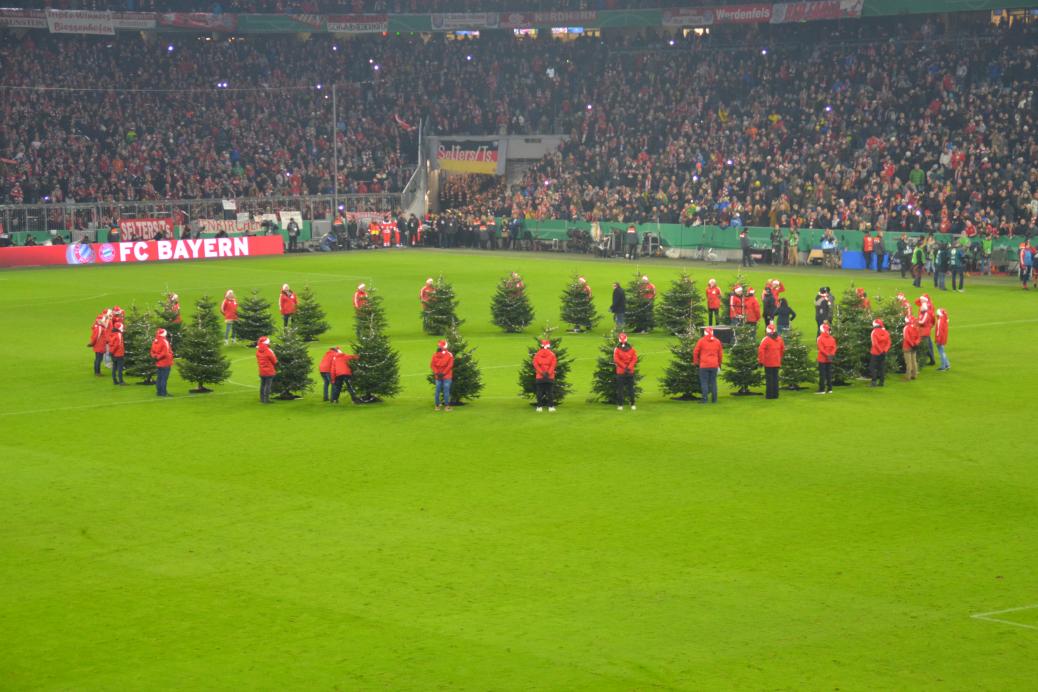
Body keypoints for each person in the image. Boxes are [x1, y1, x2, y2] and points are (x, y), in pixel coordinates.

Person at [692, 326, 723, 404]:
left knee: (704, 382)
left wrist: (696, 362)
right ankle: (714, 399)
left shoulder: (701, 341)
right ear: (712, 333)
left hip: (704, 365)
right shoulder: (717, 341)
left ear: (704, 333)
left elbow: (695, 352)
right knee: (713, 382)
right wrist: (719, 364)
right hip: (714, 365)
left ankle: (705, 399)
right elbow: (720, 355)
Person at [758, 323, 785, 400]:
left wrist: (761, 361)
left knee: (769, 379)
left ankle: (769, 395)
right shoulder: (780, 339)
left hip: (768, 362)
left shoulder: (766, 339)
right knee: (775, 378)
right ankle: (776, 394)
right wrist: (780, 358)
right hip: (777, 361)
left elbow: (761, 351)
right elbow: (782, 350)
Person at [613, 332, 638, 411]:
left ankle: (620, 405)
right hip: (630, 371)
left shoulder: (617, 349)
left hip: (621, 372)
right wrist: (629, 367)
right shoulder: (632, 349)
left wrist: (624, 367)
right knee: (631, 388)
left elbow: (616, 360)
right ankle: (633, 404)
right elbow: (634, 359)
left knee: (620, 389)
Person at [532, 339, 557, 412]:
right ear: (549, 346)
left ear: (541, 346)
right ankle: (551, 407)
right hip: (550, 376)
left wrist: (541, 373)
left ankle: (539, 407)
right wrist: (548, 373)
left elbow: (535, 364)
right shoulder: (552, 355)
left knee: (539, 392)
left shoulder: (537, 354)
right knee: (549, 392)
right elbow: (553, 365)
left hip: (540, 376)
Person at [431, 339, 455, 411]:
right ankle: (447, 407)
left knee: (437, 390)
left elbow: (432, 365)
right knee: (446, 391)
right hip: (447, 376)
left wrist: (437, 373)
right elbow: (450, 365)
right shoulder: (449, 355)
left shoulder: (435, 355)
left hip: (438, 376)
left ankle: (437, 406)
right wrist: (444, 373)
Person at [150, 327, 173, 397]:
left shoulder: (155, 341)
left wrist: (155, 357)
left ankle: (159, 392)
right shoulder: (164, 341)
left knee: (159, 378)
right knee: (164, 378)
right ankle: (163, 393)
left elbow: (152, 351)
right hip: (165, 362)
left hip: (158, 362)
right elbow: (165, 353)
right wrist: (158, 357)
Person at [869, 319, 891, 387]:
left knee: (872, 367)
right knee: (881, 368)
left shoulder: (874, 332)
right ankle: (881, 382)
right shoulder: (886, 332)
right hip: (883, 353)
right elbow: (889, 342)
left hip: (875, 353)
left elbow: (875, 344)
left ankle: (874, 381)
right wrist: (884, 350)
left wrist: (880, 350)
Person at [816, 322, 836, 394]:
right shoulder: (832, 338)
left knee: (822, 374)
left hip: (822, 358)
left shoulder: (819, 338)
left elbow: (821, 349)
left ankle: (822, 389)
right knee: (829, 374)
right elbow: (834, 347)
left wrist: (827, 354)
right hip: (829, 358)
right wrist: (831, 355)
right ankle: (830, 388)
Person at [256, 335, 277, 403]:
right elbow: (274, 361)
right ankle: (266, 400)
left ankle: (262, 399)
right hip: (269, 371)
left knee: (262, 385)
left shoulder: (258, 351)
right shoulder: (268, 351)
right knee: (268, 386)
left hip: (262, 371)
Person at [917, 302, 936, 366]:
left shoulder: (926, 314)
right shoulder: (923, 313)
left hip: (924, 333)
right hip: (922, 332)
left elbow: (922, 322)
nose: (920, 308)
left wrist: (916, 321)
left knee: (926, 347)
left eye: (921, 307)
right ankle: (930, 359)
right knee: (925, 347)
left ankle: (932, 360)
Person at [902, 317, 920, 381]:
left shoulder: (906, 328)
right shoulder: (916, 327)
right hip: (914, 347)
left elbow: (906, 338)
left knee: (908, 363)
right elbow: (918, 337)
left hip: (907, 346)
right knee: (914, 361)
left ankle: (908, 377)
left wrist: (912, 344)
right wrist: (915, 344)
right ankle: (914, 375)